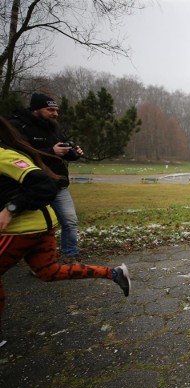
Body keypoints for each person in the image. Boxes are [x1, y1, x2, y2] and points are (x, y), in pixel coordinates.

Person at [0, 116, 130, 335]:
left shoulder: (4, 156)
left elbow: (43, 185)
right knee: (48, 271)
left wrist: (10, 209)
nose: (55, 113)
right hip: (41, 225)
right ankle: (114, 274)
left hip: (25, 228)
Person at [9, 93, 83, 262]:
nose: (55, 114)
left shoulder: (53, 127)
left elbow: (63, 152)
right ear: (36, 109)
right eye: (50, 110)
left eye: (56, 110)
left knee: (70, 220)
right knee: (38, 227)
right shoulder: (18, 127)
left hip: (57, 183)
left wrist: (73, 153)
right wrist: (51, 151)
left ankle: (70, 257)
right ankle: (39, 262)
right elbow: (17, 155)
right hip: (32, 187)